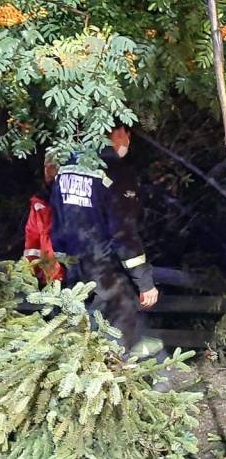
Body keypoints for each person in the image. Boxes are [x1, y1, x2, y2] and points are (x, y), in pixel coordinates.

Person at [51, 123, 159, 351]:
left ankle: (78, 370)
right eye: (126, 136)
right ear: (118, 133)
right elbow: (124, 233)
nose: (127, 143)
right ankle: (112, 375)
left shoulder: (68, 167)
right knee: (121, 313)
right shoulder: (116, 173)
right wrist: (144, 282)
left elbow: (57, 216)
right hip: (103, 265)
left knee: (77, 319)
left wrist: (58, 263)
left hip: (72, 264)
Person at [24, 156, 64, 285]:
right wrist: (31, 274)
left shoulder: (71, 202)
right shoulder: (39, 203)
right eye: (46, 166)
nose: (48, 170)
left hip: (76, 281)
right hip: (48, 281)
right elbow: (32, 242)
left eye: (53, 166)